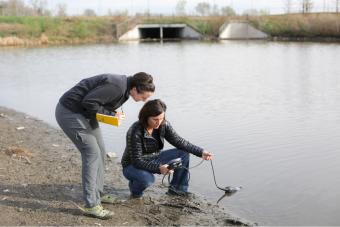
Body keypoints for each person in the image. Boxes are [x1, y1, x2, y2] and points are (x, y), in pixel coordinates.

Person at [55, 72, 155, 219]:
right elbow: (88, 102)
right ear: (135, 89)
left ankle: (98, 193)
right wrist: (111, 114)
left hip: (86, 113)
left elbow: (99, 102)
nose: (144, 101)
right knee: (92, 153)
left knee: (101, 150)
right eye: (144, 97)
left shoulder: (127, 89)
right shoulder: (117, 87)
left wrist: (113, 113)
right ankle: (91, 205)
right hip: (69, 111)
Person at [121, 99, 213, 199]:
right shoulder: (135, 131)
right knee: (147, 179)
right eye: (155, 119)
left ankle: (177, 190)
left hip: (154, 157)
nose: (159, 122)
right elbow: (137, 161)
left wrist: (201, 152)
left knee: (183, 153)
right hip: (132, 165)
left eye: (161, 118)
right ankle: (135, 191)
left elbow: (179, 141)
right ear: (145, 117)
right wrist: (159, 168)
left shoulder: (163, 125)